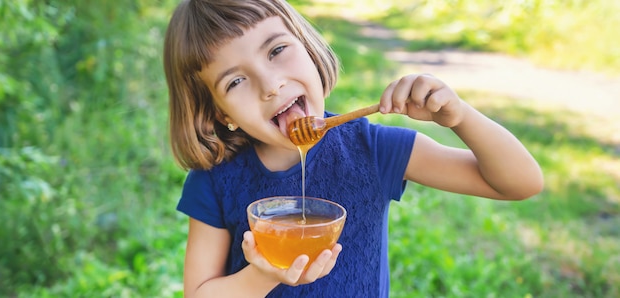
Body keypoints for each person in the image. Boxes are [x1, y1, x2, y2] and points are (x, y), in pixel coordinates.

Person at [163, 0, 544, 297]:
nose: (270, 85)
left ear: (308, 47)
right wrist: (263, 274)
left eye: (276, 51)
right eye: (235, 81)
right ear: (220, 112)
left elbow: (518, 183)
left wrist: (461, 117)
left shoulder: (372, 149)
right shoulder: (216, 179)